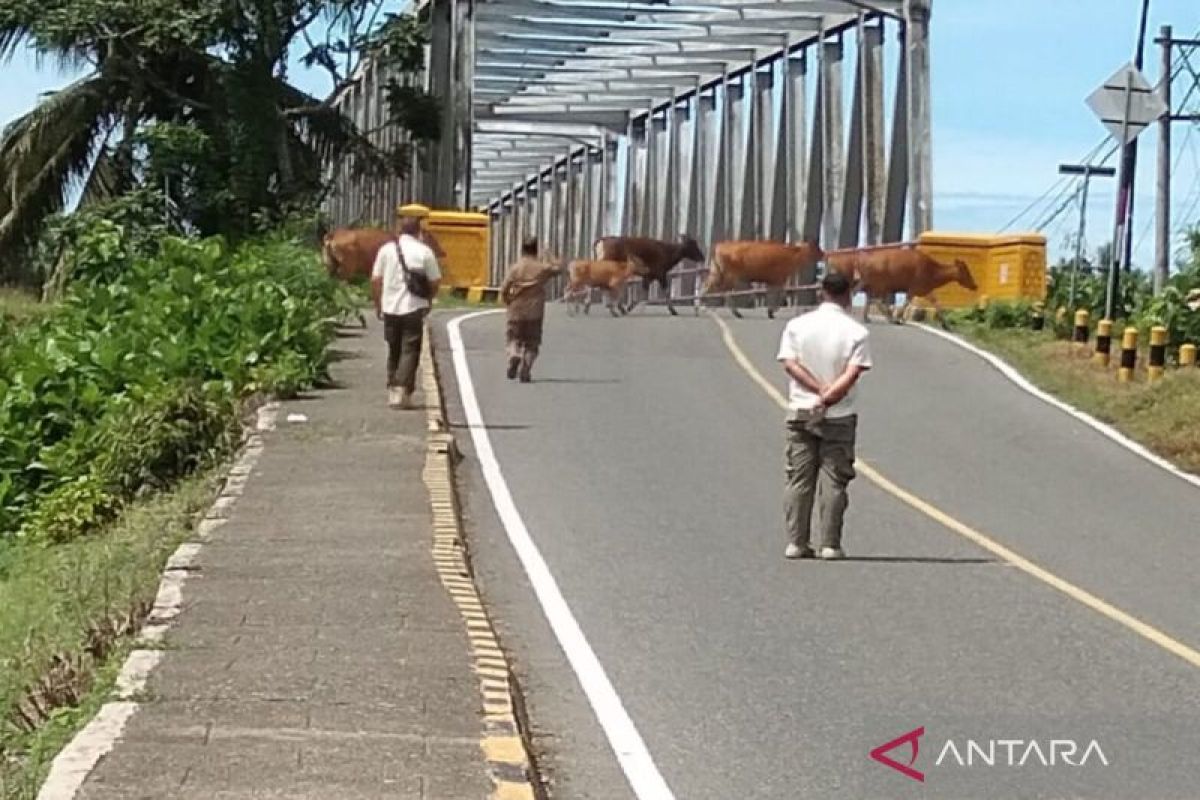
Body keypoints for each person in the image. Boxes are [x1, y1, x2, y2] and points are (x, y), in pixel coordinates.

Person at [776, 269, 872, 560]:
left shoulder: (797, 325)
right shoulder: (857, 331)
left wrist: (817, 392)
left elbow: (790, 364)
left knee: (799, 479)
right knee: (834, 480)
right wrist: (829, 397)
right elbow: (853, 372)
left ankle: (796, 542)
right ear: (848, 293)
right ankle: (830, 544)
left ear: (821, 292)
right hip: (839, 415)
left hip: (802, 410)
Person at [371, 204, 442, 409]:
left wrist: (378, 303)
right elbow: (435, 281)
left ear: (400, 230)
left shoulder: (386, 250)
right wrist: (429, 299)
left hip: (390, 307)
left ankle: (394, 389)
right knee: (410, 349)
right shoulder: (424, 252)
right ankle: (403, 390)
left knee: (393, 348)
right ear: (418, 231)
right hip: (414, 306)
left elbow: (376, 280)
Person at [499, 237, 563, 383]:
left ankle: (514, 354)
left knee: (513, 339)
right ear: (536, 250)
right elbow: (559, 268)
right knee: (532, 343)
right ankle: (526, 369)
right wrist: (549, 254)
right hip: (535, 310)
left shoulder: (515, 268)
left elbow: (504, 289)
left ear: (522, 249)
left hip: (516, 309)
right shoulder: (542, 268)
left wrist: (508, 301)